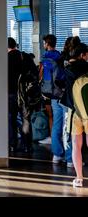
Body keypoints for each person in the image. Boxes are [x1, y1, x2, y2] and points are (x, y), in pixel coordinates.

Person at [39, 34, 66, 164]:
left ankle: (57, 154)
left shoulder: (45, 58)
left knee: (56, 124)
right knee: (68, 127)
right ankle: (70, 157)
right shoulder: (60, 57)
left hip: (52, 94)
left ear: (47, 44)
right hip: (63, 94)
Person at [67, 43, 88, 187]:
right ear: (82, 55)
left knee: (76, 145)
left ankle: (79, 178)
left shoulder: (67, 69)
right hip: (87, 110)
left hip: (73, 111)